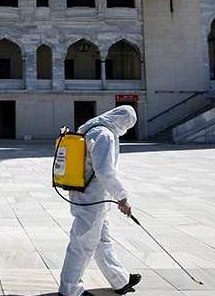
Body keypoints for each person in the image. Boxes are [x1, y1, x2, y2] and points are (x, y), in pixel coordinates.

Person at [59, 106, 142, 296]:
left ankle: (120, 280)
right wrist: (122, 197)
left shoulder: (89, 128)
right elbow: (104, 171)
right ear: (122, 122)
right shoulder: (104, 134)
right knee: (82, 244)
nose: (125, 130)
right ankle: (69, 290)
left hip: (86, 194)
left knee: (101, 240)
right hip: (93, 198)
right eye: (127, 126)